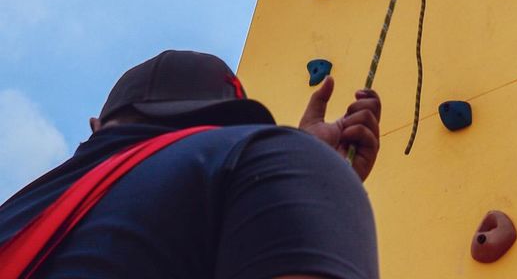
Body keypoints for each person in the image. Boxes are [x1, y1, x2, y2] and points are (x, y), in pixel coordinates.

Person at [0, 48, 381, 279]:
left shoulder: (16, 218)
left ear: (96, 128)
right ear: (234, 125)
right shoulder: (269, 159)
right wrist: (310, 179)